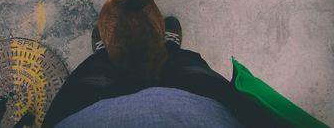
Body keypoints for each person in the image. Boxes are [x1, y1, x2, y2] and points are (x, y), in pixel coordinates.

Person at [42, 17, 293, 128]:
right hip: (201, 110)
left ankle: (106, 55)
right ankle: (168, 48)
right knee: (188, 68)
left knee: (94, 76)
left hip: (87, 116)